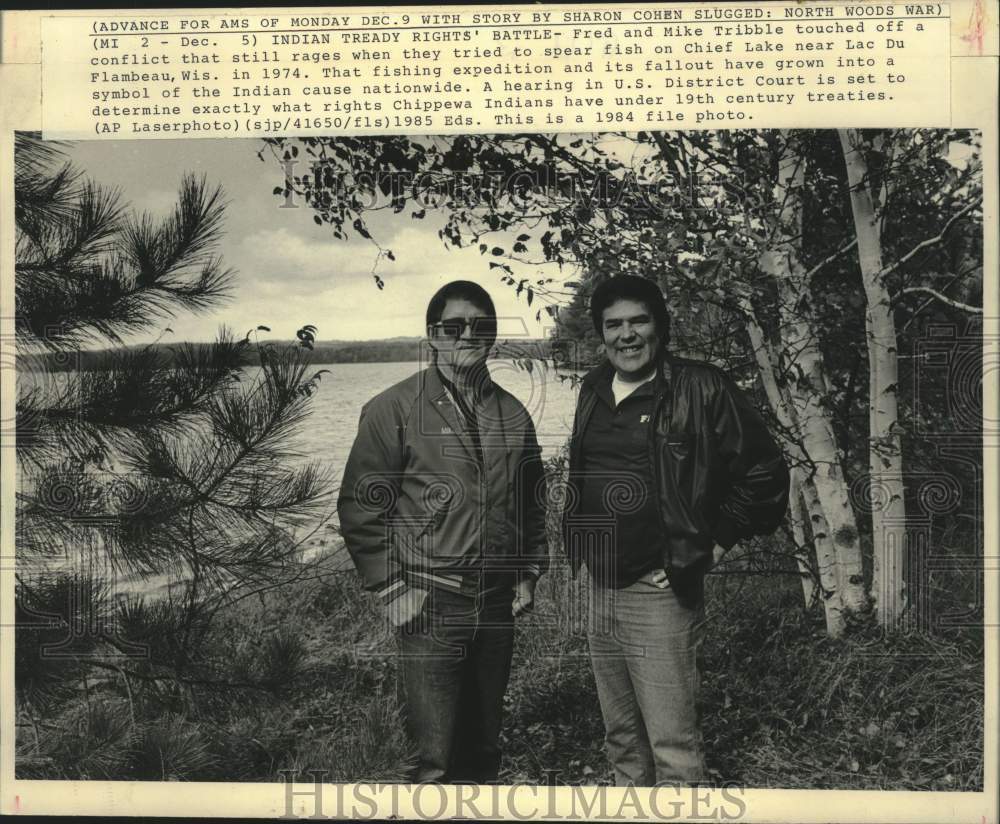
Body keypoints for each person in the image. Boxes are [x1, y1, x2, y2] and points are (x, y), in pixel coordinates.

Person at [562, 275, 789, 786]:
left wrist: (714, 543)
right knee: (622, 740)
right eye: (613, 324)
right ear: (601, 334)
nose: (627, 334)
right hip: (599, 586)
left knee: (674, 749)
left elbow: (765, 471)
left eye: (638, 321)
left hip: (659, 590)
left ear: (660, 327)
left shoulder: (700, 385)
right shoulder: (592, 387)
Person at [337, 280, 548, 784]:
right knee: (431, 756)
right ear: (433, 335)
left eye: (481, 327)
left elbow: (530, 501)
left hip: (496, 605)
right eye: (454, 327)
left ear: (493, 337)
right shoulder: (393, 409)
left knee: (483, 748)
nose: (467, 336)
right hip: (431, 605)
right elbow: (359, 507)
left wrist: (528, 570)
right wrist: (391, 587)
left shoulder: (513, 413)